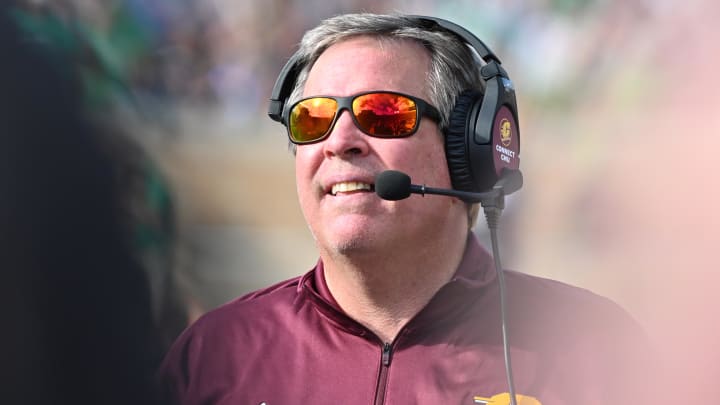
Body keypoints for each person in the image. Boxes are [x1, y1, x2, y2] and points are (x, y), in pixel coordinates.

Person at [158, 13, 654, 405]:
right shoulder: (213, 355)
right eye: (313, 118)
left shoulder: (596, 348)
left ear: (469, 152)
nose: (340, 141)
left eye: (383, 113)